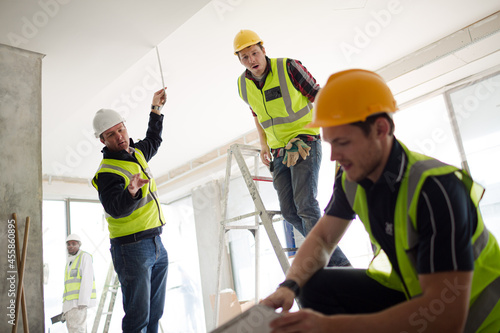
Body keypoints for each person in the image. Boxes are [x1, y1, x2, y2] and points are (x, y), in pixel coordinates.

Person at [262, 69, 500, 332]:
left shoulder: (436, 190)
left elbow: (445, 318)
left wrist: (333, 326)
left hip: (474, 319)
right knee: (312, 287)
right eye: (330, 143)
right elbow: (322, 239)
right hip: (415, 294)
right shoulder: (351, 179)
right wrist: (289, 286)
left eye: (342, 142)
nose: (333, 156)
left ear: (380, 129)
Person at [234, 29, 350, 267]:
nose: (251, 60)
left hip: (304, 141)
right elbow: (256, 114)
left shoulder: (288, 67)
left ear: (263, 50)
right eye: (245, 57)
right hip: (278, 152)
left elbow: (317, 94)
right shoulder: (242, 85)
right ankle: (331, 258)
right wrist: (264, 143)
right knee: (289, 212)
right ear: (240, 60)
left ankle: (335, 266)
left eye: (254, 53)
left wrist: (336, 127)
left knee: (306, 205)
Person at [91, 88, 169, 333]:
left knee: (155, 314)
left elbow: (153, 140)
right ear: (102, 140)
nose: (119, 136)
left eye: (121, 129)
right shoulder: (106, 172)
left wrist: (156, 109)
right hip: (132, 249)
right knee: (138, 320)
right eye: (111, 134)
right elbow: (115, 208)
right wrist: (132, 192)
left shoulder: (135, 153)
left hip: (156, 243)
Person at [62, 234, 96, 333]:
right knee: (73, 329)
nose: (71, 246)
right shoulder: (70, 261)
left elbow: (87, 279)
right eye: (68, 244)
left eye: (74, 244)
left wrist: (83, 302)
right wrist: (64, 307)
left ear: (79, 245)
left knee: (78, 330)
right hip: (70, 304)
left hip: (78, 304)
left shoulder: (84, 257)